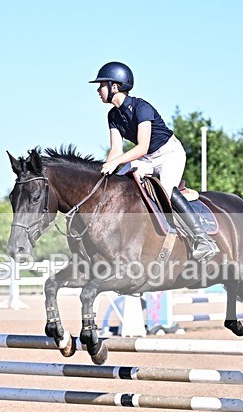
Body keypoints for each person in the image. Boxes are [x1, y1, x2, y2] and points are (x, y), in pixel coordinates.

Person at [89, 61, 219, 262]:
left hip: (169, 154)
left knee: (166, 189)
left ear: (114, 86)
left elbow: (141, 146)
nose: (98, 90)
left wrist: (116, 163)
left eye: (101, 85)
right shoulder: (113, 115)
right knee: (119, 184)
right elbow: (116, 149)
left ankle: (202, 239)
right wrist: (102, 175)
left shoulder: (142, 107)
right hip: (147, 158)